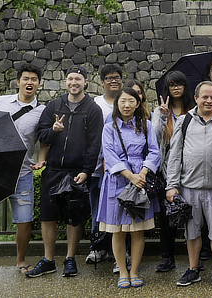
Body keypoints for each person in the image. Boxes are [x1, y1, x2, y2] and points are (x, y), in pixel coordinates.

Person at [0, 64, 48, 280]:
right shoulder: (1, 102)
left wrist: (41, 160)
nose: (29, 82)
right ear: (18, 82)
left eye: (34, 79)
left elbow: (44, 141)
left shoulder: (42, 111)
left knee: (24, 221)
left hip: (22, 173)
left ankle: (21, 260)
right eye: (25, 78)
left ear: (39, 84)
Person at [27, 65, 103, 278]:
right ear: (66, 81)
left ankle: (70, 258)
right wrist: (53, 130)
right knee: (48, 216)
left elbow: (94, 144)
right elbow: (42, 135)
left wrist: (87, 171)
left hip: (76, 170)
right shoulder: (53, 106)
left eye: (78, 79)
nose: (74, 83)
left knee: (74, 217)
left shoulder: (92, 109)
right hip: (53, 168)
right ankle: (48, 259)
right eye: (70, 79)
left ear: (86, 82)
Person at [166, 81, 212, 288]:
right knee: (191, 232)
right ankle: (193, 269)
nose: (209, 101)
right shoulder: (184, 121)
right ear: (196, 98)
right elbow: (174, 155)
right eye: (205, 97)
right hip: (189, 187)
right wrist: (172, 185)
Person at [97, 87, 160, 288]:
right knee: (118, 230)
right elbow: (109, 154)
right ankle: (122, 271)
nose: (126, 105)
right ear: (117, 104)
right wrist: (129, 175)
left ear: (138, 103)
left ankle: (134, 271)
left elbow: (154, 152)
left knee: (138, 230)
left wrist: (142, 172)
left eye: (131, 101)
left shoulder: (146, 125)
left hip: (140, 179)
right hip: (117, 180)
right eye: (123, 101)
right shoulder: (110, 127)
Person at [152, 71, 196, 273]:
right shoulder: (161, 111)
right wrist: (162, 117)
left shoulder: (193, 111)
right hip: (166, 169)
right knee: (166, 216)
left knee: (193, 215)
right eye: (172, 85)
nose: (176, 88)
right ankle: (167, 255)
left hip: (189, 169)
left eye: (179, 84)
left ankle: (196, 258)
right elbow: (155, 138)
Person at [86, 64, 123, 267]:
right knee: (98, 210)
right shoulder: (95, 105)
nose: (113, 81)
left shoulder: (127, 101)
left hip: (121, 169)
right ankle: (98, 248)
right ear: (102, 82)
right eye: (109, 78)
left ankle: (119, 253)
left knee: (122, 210)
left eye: (117, 77)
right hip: (97, 167)